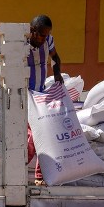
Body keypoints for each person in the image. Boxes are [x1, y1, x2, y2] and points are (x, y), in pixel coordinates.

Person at [27, 14, 63, 186]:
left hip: (40, 95)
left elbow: (55, 58)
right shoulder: (20, 44)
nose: (44, 38)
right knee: (34, 135)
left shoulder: (48, 41)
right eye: (41, 34)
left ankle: (39, 177)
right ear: (32, 31)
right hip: (23, 97)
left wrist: (57, 75)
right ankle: (21, 167)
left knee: (43, 133)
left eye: (46, 35)